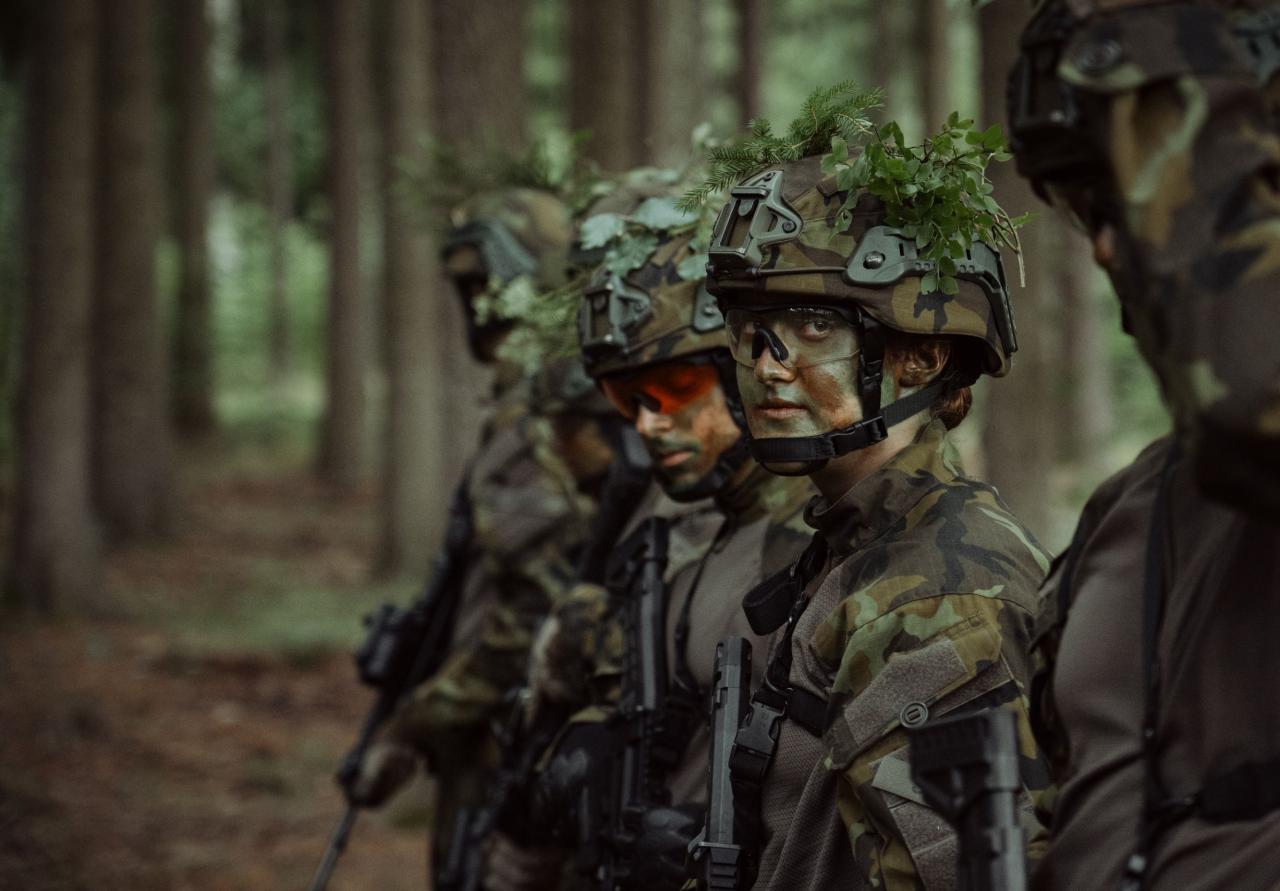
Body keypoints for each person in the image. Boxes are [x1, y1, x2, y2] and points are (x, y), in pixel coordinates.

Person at [700, 142, 1051, 889]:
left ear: (920, 356)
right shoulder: (857, 544)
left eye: (810, 327)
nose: (766, 365)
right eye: (751, 330)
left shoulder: (933, 592)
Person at [1005, 2, 1280, 887]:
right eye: (1087, 210)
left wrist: (1161, 45)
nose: (1104, 247)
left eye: (1138, 191)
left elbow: (1255, 391)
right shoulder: (1124, 507)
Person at [487, 221, 817, 891]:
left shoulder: (819, 542)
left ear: (742, 373)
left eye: (672, 389)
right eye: (627, 399)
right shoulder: (688, 534)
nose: (647, 423)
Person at [350, 187, 619, 858]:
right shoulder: (549, 396)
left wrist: (419, 721)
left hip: (513, 740)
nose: (474, 304)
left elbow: (531, 613)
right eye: (466, 287)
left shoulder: (533, 413)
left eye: (482, 283)